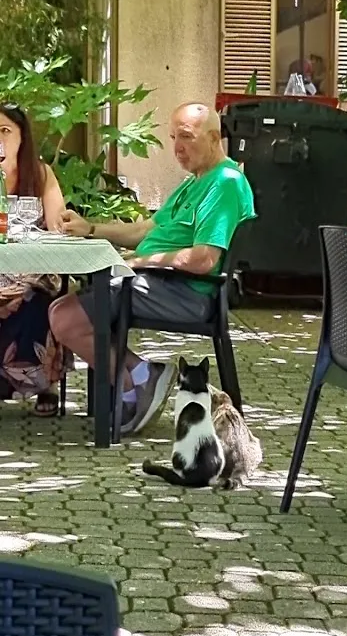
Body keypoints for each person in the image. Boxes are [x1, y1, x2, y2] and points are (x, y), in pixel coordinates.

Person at [49, 103, 256, 436]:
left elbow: (203, 259)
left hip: (186, 293)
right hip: (158, 284)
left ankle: (141, 380)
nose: (177, 148)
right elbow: (145, 231)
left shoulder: (225, 183)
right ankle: (141, 378)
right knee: (61, 308)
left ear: (215, 138)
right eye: (174, 137)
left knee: (64, 317)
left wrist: (135, 264)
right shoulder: (196, 182)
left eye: (187, 137)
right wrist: (91, 229)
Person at [0, 103, 70, 417]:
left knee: (36, 298)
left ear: (22, 137)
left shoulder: (40, 174)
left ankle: (45, 384)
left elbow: (58, 227)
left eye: (4, 131)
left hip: (35, 268)